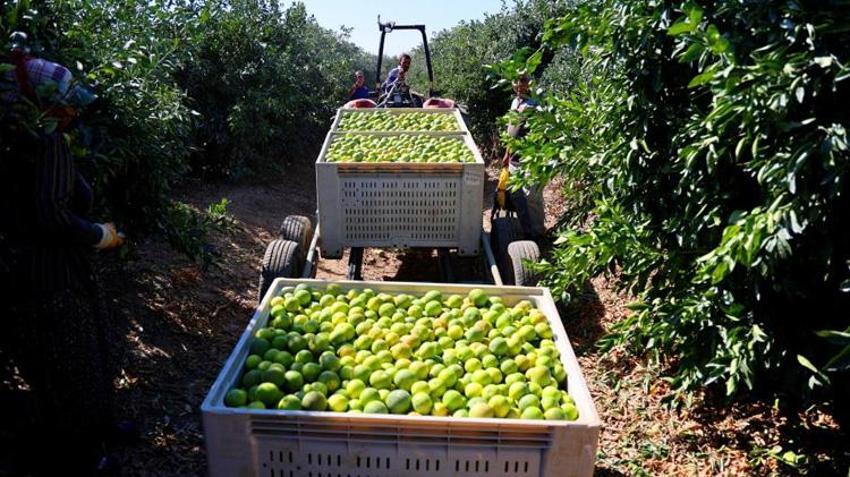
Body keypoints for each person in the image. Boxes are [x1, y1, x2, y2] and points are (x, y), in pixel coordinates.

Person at [0, 32, 125, 475]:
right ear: (41, 102)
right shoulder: (46, 143)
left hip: (20, 273)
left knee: (55, 364)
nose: (73, 113)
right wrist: (98, 235)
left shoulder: (16, 139)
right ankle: (83, 457)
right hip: (47, 276)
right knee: (70, 367)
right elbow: (49, 215)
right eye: (66, 104)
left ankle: (94, 436)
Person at [500, 74, 545, 240]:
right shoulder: (515, 102)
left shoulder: (535, 104)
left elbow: (543, 128)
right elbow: (511, 130)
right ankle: (526, 229)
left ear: (530, 83)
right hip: (514, 158)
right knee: (516, 194)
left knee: (531, 196)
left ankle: (538, 231)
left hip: (529, 159)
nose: (520, 85)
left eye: (524, 81)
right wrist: (506, 153)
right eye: (517, 81)